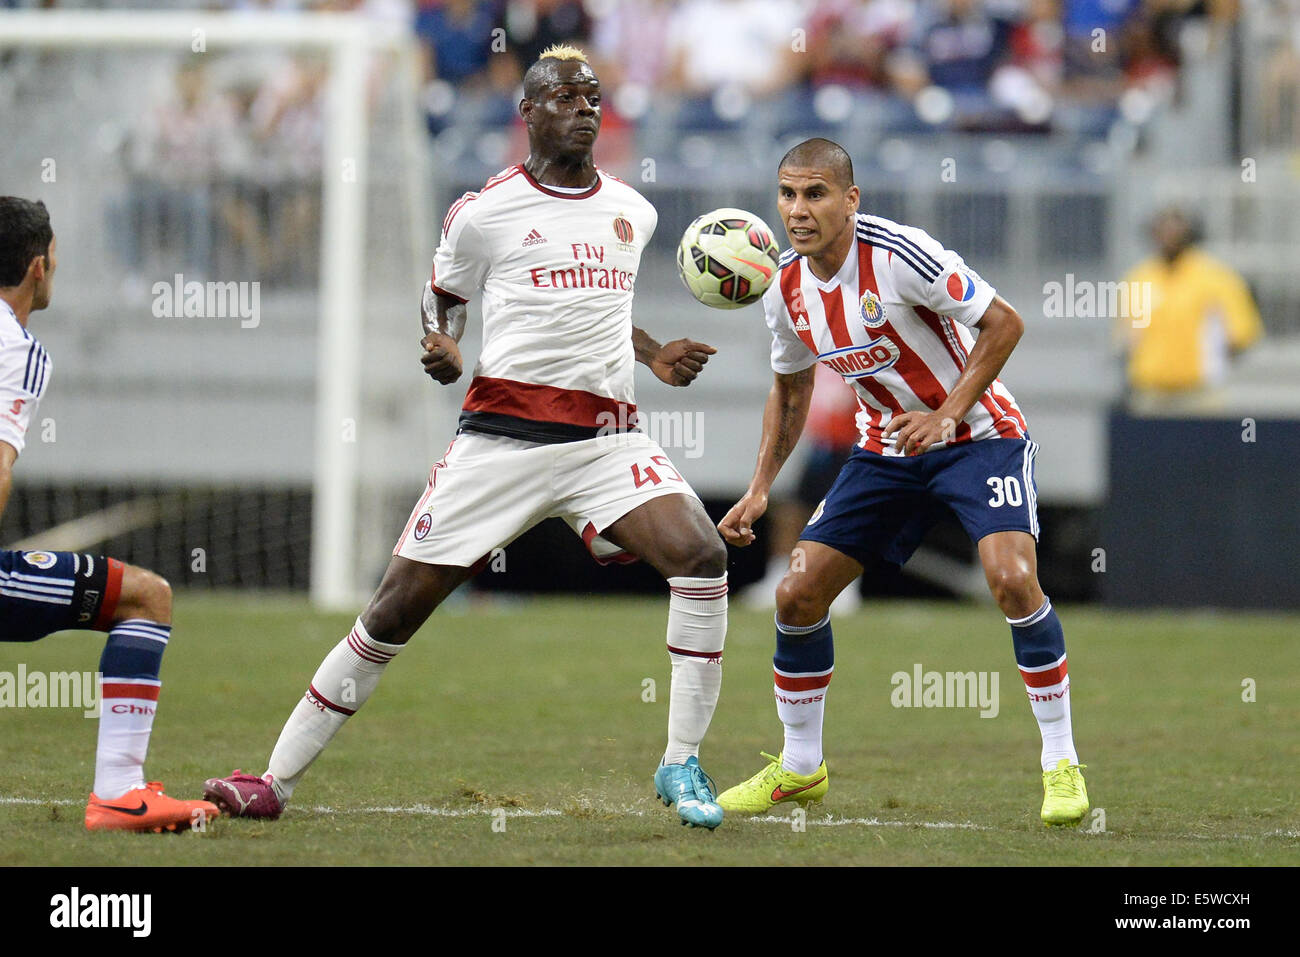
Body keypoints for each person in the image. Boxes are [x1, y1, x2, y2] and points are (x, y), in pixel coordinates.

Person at [204, 45, 730, 829]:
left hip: (606, 439)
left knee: (703, 556)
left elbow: (605, 309)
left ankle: (681, 762)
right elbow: (441, 304)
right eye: (563, 97)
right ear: (528, 113)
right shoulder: (483, 213)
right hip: (501, 443)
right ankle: (272, 779)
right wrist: (443, 349)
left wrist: (654, 355)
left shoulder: (633, 210)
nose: (583, 107)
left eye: (592, 96)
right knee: (392, 612)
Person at [714, 138, 1089, 826]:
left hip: (979, 435)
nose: (799, 210)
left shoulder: (899, 254)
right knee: (796, 594)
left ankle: (1060, 760)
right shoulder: (786, 287)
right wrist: (761, 485)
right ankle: (800, 767)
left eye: (816, 194)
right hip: (885, 450)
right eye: (788, 195)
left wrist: (946, 414)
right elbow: (791, 391)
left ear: (850, 199)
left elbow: (1004, 323)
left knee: (1011, 579)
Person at [0, 197, 219, 832]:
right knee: (146, 598)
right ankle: (120, 791)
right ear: (38, 267)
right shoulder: (16, 349)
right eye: (56, 258)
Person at [1120, 207, 1262, 414]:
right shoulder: (1140, 277)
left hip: (1199, 392)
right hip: (1150, 391)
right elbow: (1128, 336)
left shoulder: (1215, 277)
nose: (1168, 237)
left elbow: (1241, 333)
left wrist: (1215, 361)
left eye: (1174, 231)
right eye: (1163, 230)